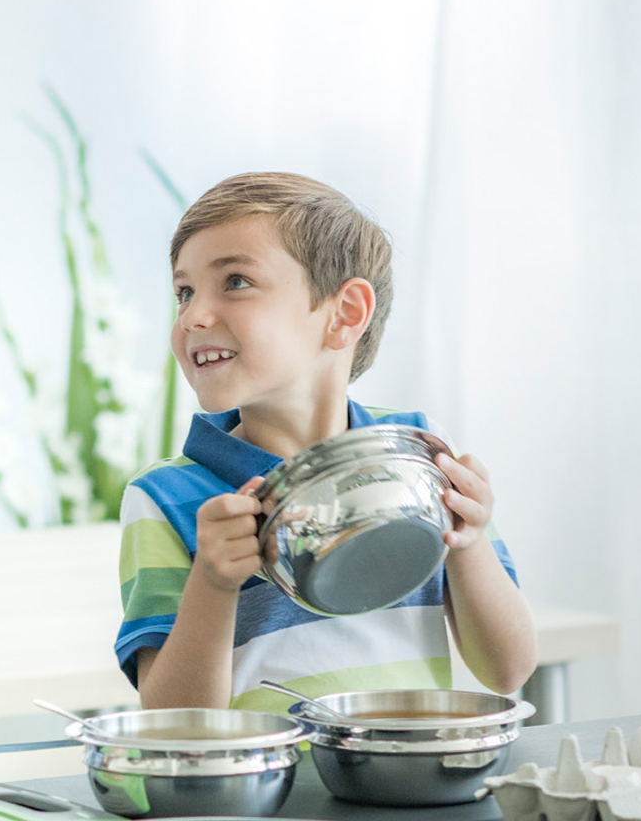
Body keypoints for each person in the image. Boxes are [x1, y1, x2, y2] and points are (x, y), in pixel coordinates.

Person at [115, 172, 535, 711]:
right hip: (264, 793)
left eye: (236, 281)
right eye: (184, 292)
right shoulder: (166, 496)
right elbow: (174, 722)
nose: (193, 315)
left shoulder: (420, 456)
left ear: (345, 314)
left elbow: (509, 670)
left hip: (404, 782)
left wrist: (469, 544)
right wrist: (213, 585)